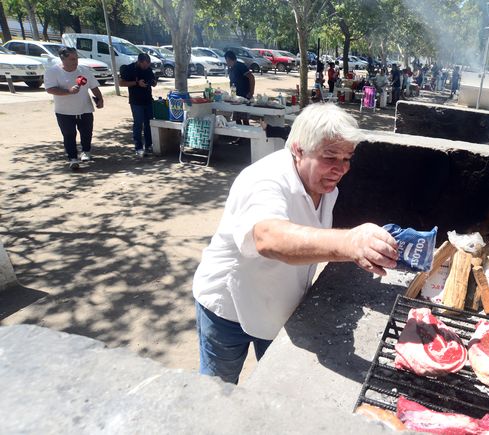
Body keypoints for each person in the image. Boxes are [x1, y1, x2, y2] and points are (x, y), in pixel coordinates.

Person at [192, 103, 398, 384]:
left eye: (347, 158)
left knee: (277, 387)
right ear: (299, 150)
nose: (341, 169)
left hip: (279, 303)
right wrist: (349, 242)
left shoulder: (325, 186)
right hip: (228, 307)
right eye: (330, 157)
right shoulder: (265, 180)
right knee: (217, 391)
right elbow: (268, 237)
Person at [44, 47, 104, 171]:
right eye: (72, 59)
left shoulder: (84, 70)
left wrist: (100, 99)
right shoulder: (52, 72)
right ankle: (73, 159)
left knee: (87, 133)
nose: (75, 61)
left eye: (76, 58)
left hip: (85, 108)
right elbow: (50, 89)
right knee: (69, 135)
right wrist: (68, 91)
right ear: (63, 59)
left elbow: (94, 86)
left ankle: (86, 151)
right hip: (64, 111)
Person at [119, 52, 156, 158]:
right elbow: (121, 83)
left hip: (148, 100)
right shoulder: (130, 69)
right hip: (136, 101)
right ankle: (138, 147)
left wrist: (153, 82)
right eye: (144, 64)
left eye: (148, 65)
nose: (146, 67)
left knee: (149, 123)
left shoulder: (148, 69)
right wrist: (136, 83)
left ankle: (148, 145)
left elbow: (153, 80)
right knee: (138, 124)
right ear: (139, 62)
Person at [224, 50, 255, 126]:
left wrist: (251, 92)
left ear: (230, 59)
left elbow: (251, 78)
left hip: (244, 95)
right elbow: (232, 81)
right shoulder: (231, 68)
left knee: (244, 118)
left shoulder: (240, 66)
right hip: (236, 96)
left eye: (227, 60)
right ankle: (239, 136)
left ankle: (246, 137)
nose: (226, 63)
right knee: (236, 118)